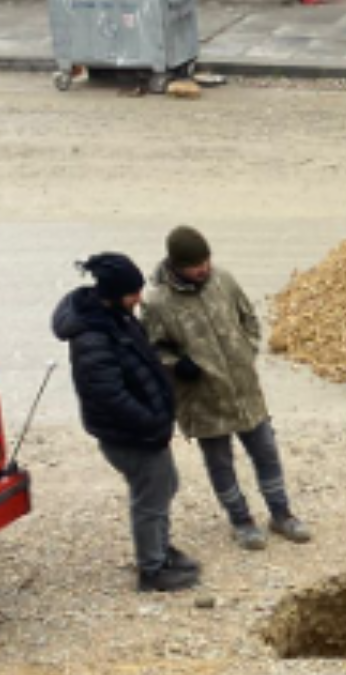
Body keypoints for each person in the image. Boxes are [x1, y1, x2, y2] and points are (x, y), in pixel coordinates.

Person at [141, 226, 311, 550]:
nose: (203, 269)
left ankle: (281, 514)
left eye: (206, 261)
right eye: (195, 265)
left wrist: (246, 354)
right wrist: (177, 364)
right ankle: (241, 521)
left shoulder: (224, 280)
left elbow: (249, 319)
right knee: (220, 463)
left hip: (245, 392)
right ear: (176, 265)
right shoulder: (157, 302)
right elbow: (151, 349)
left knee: (266, 453)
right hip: (203, 400)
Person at [52, 252, 201, 593]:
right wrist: (151, 422)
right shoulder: (92, 337)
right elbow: (109, 397)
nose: (139, 298)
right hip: (128, 435)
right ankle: (152, 569)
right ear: (115, 293)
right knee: (150, 495)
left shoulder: (116, 317)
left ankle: (160, 547)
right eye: (133, 293)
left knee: (166, 484)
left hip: (143, 429)